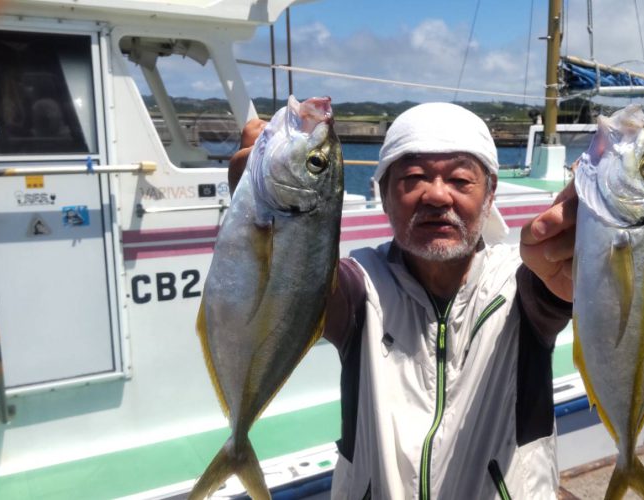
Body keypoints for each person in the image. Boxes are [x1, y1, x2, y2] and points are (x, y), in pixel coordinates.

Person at [230, 102, 577, 499]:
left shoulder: (524, 284)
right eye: (413, 177)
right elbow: (294, 281)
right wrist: (263, 200)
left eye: (461, 180)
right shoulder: (359, 287)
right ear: (382, 192)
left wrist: (575, 258)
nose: (436, 195)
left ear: (490, 192)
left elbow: (553, 292)